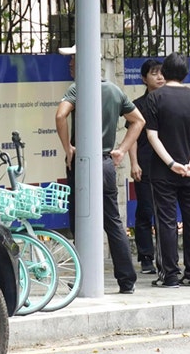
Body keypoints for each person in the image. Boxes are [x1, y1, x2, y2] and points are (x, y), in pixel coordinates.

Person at [54, 44, 143, 294]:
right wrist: (122, 149)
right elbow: (138, 121)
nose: (70, 66)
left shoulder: (78, 88)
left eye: (73, 61)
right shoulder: (114, 90)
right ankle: (127, 280)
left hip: (82, 162)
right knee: (113, 223)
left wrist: (68, 148)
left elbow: (61, 116)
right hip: (105, 163)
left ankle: (83, 278)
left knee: (80, 222)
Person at [145, 52, 190, 288]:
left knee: (166, 221)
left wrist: (171, 163)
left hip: (163, 172)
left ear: (164, 72)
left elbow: (152, 136)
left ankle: (170, 275)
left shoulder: (155, 98)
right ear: (186, 73)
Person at [127, 58, 164, 276]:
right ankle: (146, 257)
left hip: (166, 165)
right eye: (154, 73)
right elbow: (131, 136)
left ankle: (164, 257)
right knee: (145, 211)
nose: (159, 77)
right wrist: (134, 163)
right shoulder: (137, 106)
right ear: (144, 78)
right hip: (144, 163)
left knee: (164, 212)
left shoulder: (168, 102)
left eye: (162, 73)